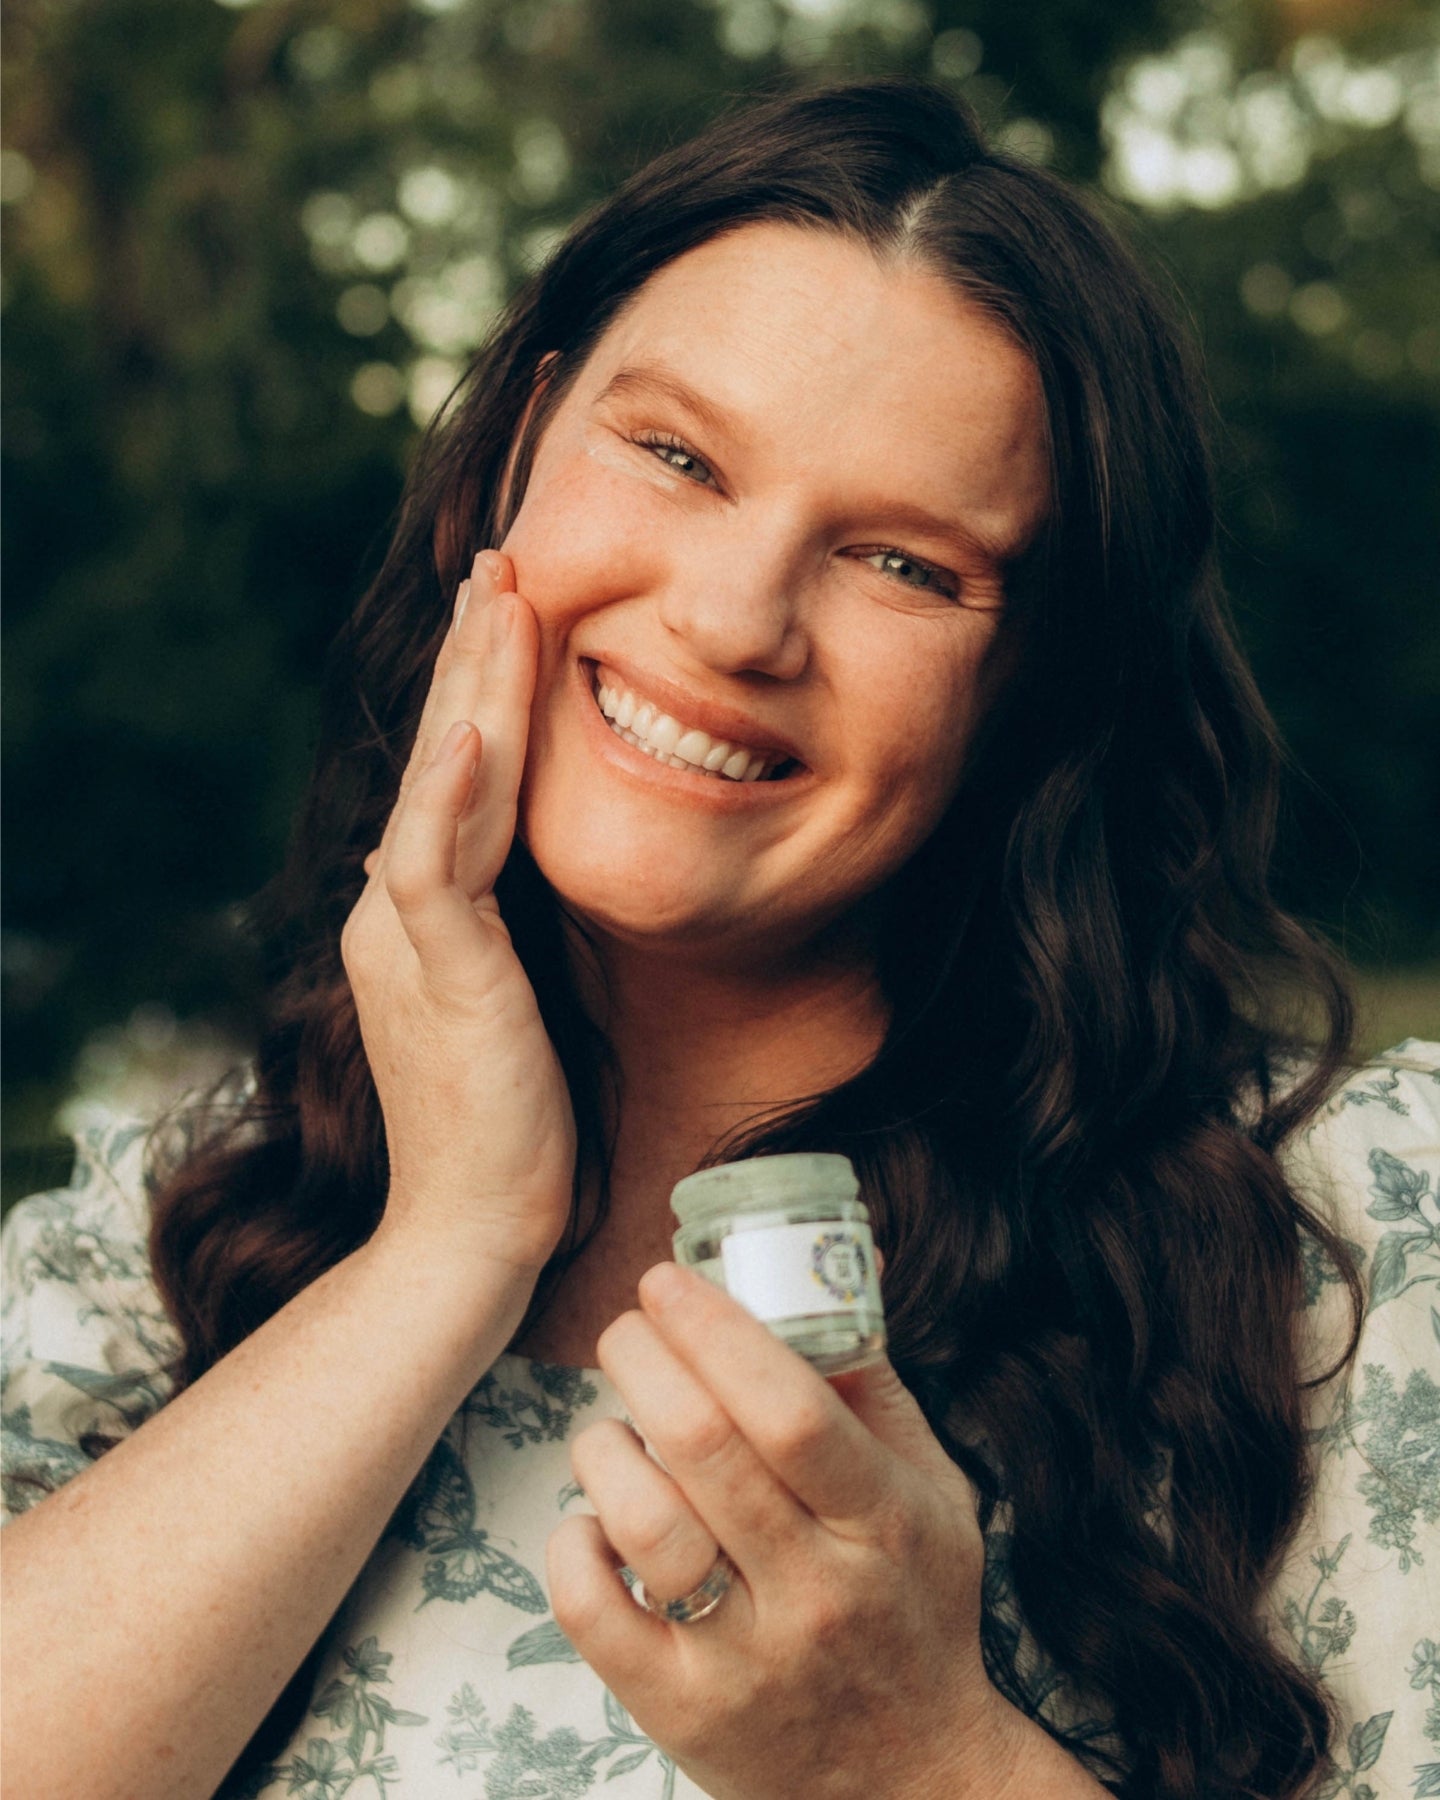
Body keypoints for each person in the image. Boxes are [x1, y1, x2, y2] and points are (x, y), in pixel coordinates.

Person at [1, 73, 1435, 1800]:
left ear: (1038, 686)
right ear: (514, 462)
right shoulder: (167, 1237)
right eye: (675, 455)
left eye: (906, 566)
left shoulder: (1362, 1250)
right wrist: (452, 1245)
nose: (736, 619)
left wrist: (916, 1761)